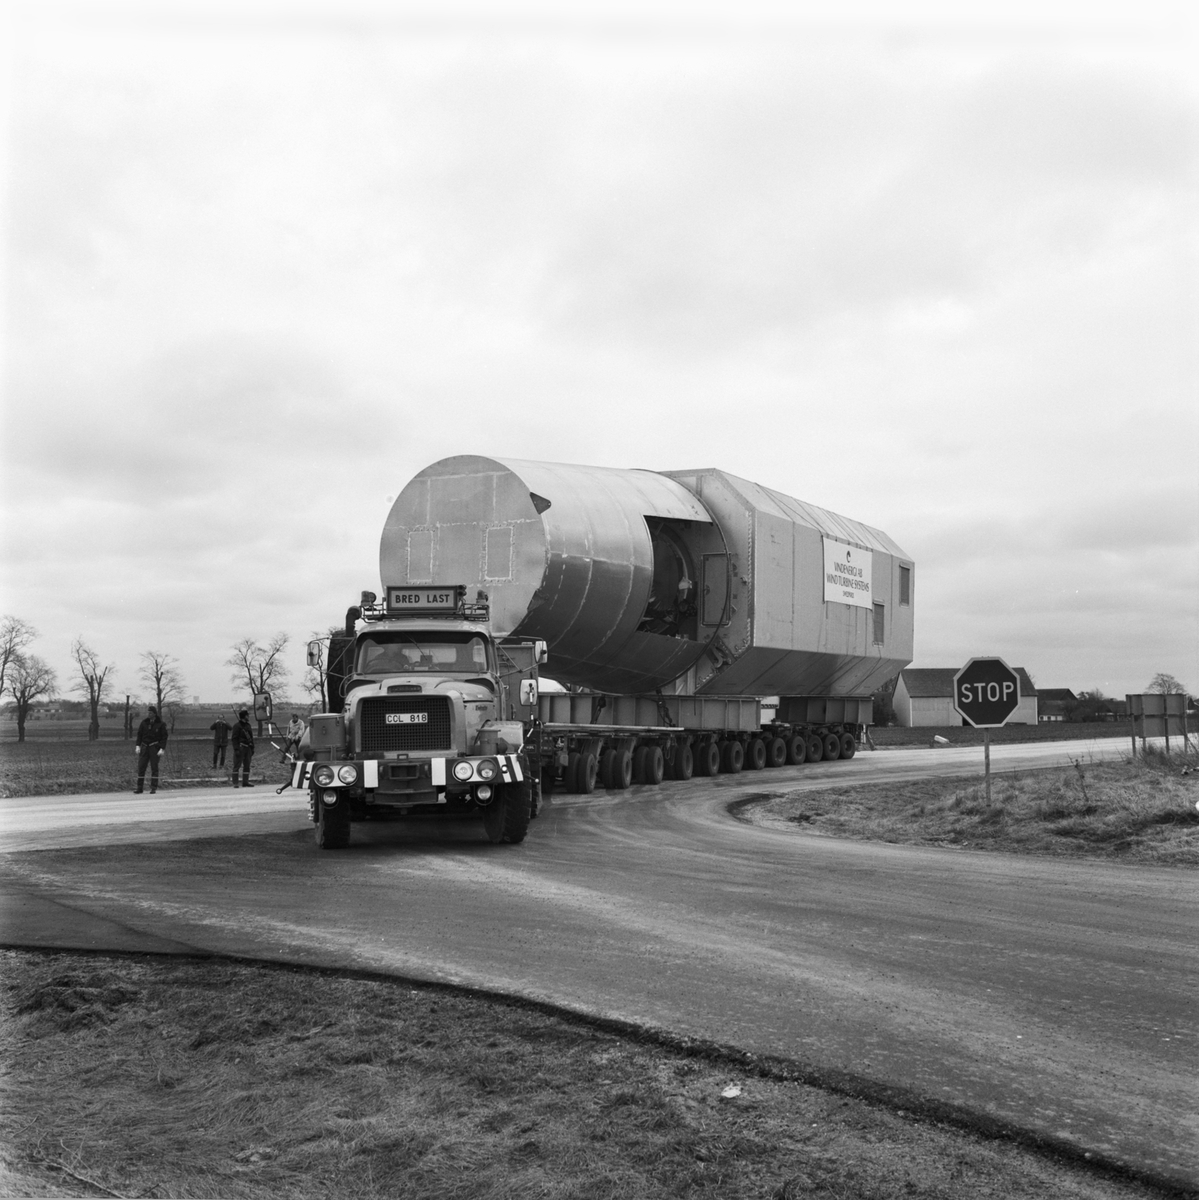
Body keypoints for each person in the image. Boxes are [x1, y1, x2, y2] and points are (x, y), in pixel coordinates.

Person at [133, 705, 169, 795]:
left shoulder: (160, 724)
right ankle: (139, 787)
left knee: (154, 768)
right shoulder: (144, 723)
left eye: (151, 713)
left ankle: (153, 787)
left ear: (154, 714)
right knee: (141, 767)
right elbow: (139, 735)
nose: (149, 714)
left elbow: (164, 737)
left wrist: (162, 748)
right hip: (145, 747)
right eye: (148, 713)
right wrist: (138, 745)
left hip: (154, 747)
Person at [231, 708, 255, 788]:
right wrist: (236, 749)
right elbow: (234, 739)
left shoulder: (248, 725)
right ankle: (235, 783)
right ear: (244, 716)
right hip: (240, 748)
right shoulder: (237, 726)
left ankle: (245, 782)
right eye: (247, 715)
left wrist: (252, 748)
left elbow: (251, 738)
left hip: (248, 748)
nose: (248, 717)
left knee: (247, 765)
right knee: (237, 766)